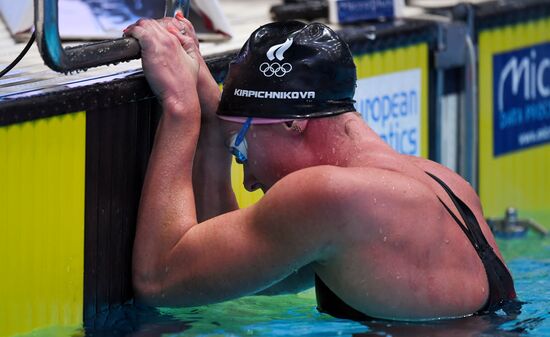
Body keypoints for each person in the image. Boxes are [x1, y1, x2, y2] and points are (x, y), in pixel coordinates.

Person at [124, 16, 517, 321]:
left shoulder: (329, 195)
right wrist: (214, 127)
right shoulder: (440, 179)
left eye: (241, 150)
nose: (247, 178)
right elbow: (223, 273)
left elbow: (159, 280)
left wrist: (180, 110)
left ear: (294, 123)